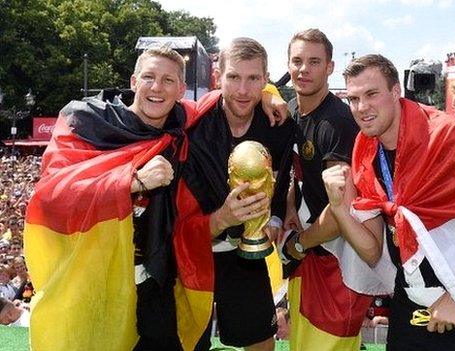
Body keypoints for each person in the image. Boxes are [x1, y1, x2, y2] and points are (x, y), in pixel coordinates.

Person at [24, 45, 287, 351]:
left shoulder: (182, 125)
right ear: (134, 81)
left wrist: (268, 91)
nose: (157, 88)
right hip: (98, 273)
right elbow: (50, 197)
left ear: (181, 90)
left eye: (168, 81)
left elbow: (234, 93)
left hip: (158, 279)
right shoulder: (87, 121)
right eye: (149, 77)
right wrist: (131, 182)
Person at [323, 54, 455, 351]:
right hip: (408, 302)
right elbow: (373, 251)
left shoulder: (449, 136)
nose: (362, 108)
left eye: (372, 94)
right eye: (354, 98)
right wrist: (338, 208)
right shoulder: (364, 149)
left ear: (396, 92)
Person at [176, 37, 296, 351]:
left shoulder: (278, 125)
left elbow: (282, 179)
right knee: (184, 342)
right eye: (234, 77)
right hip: (191, 248)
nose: (243, 90)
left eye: (254, 79)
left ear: (266, 79)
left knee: (259, 341)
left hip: (245, 251)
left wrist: (277, 216)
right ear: (218, 77)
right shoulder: (192, 121)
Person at [279, 28, 369, 351]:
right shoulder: (291, 109)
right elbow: (299, 174)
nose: (304, 69)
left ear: (330, 67)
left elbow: (340, 211)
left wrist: (298, 245)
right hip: (310, 256)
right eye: (297, 61)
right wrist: (290, 207)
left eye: (314, 62)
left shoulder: (336, 122)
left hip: (335, 262)